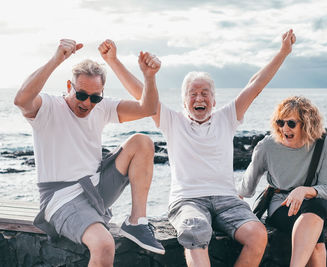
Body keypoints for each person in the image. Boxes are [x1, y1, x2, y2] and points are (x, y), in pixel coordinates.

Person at [112, 29, 296, 266]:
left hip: (228, 200)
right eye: (193, 94)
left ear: (214, 100)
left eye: (205, 93)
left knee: (257, 234)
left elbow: (256, 84)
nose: (199, 98)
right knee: (196, 230)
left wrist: (283, 52)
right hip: (188, 201)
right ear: (184, 102)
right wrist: (113, 60)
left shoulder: (227, 117)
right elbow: (140, 92)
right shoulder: (172, 121)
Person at [14, 39, 165, 266]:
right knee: (104, 245)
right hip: (61, 197)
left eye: (95, 97)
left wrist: (148, 76)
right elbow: (21, 99)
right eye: (82, 95)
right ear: (69, 87)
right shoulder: (48, 108)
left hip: (97, 187)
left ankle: (137, 222)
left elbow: (148, 108)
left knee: (142, 142)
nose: (87, 103)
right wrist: (57, 59)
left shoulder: (101, 106)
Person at [238, 96, 327, 267]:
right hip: (282, 205)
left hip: (320, 204)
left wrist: (303, 191)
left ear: (307, 123)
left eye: (291, 123)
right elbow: (246, 187)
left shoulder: (325, 144)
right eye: (280, 122)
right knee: (315, 243)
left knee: (317, 206)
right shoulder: (268, 145)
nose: (284, 128)